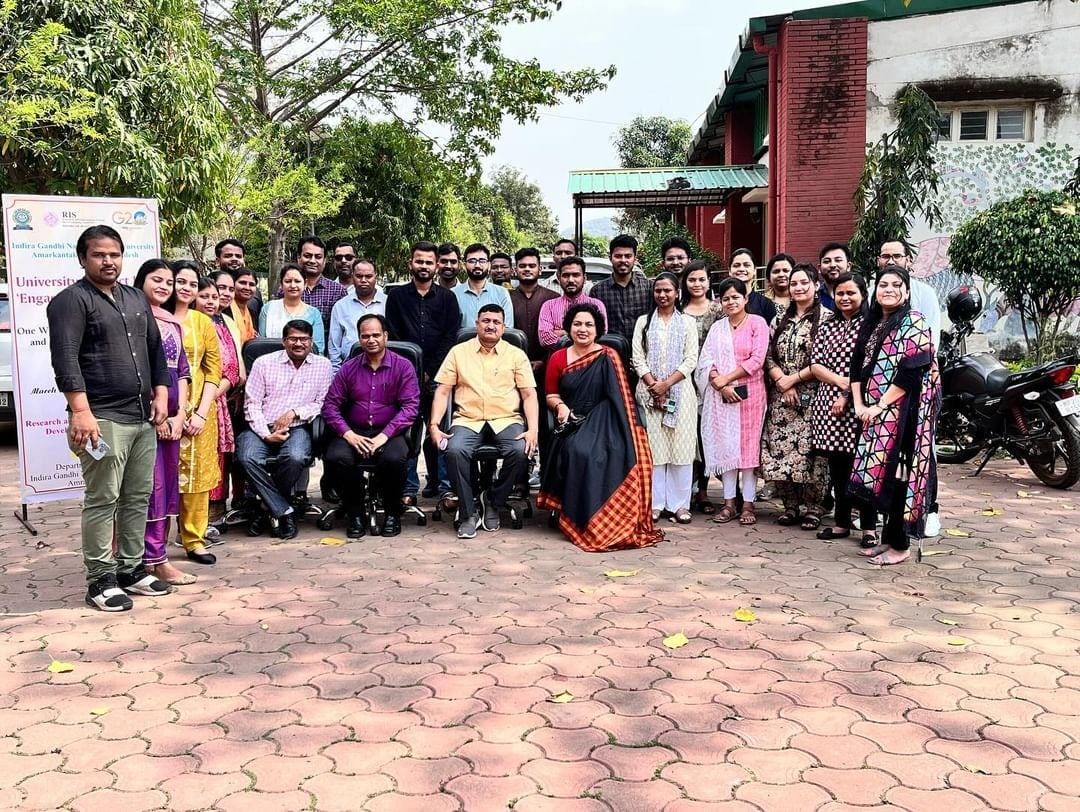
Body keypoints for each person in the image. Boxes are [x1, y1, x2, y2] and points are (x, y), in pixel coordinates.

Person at [48, 227, 172, 611]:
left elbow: (155, 349)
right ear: (82, 258)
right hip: (102, 418)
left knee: (137, 496)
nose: (108, 262)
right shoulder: (70, 301)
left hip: (142, 417)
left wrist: (163, 393)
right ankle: (100, 579)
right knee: (103, 498)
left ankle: (130, 569)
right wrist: (80, 410)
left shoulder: (135, 297)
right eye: (99, 255)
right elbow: (65, 357)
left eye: (114, 254)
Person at [539, 303, 664, 551]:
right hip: (573, 419)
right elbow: (550, 394)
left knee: (619, 451)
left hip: (606, 416)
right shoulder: (558, 357)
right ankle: (579, 515)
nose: (582, 329)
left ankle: (607, 518)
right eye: (577, 324)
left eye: (588, 325)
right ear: (568, 328)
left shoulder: (609, 355)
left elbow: (620, 396)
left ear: (597, 330)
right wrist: (561, 407)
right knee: (579, 451)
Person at [850, 264, 939, 566]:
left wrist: (879, 406)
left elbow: (911, 374)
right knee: (885, 473)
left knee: (901, 474)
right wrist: (860, 404)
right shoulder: (875, 324)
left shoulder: (913, 322)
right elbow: (858, 368)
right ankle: (887, 539)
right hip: (879, 413)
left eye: (895, 284)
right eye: (883, 284)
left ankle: (900, 546)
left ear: (907, 291)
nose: (888, 289)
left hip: (906, 416)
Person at [430, 305, 539, 540]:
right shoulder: (458, 352)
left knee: (521, 451)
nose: (490, 326)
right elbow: (443, 391)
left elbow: (529, 395)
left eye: (496, 322)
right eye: (485, 321)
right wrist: (434, 425)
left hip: (506, 418)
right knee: (454, 450)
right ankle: (468, 512)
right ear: (476, 324)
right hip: (468, 419)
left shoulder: (515, 354)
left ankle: (492, 501)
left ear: (504, 326)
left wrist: (533, 430)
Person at [322, 314, 420, 539]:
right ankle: (355, 514)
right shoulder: (349, 368)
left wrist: (382, 437)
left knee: (394, 459)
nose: (371, 340)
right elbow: (330, 406)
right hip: (354, 431)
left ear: (385, 336)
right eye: (365, 336)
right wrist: (349, 435)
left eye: (376, 335)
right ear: (359, 339)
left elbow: (410, 408)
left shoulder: (403, 366)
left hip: (390, 431)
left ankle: (393, 514)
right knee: (338, 457)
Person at [237, 320, 334, 539]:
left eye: (304, 339)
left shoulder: (323, 365)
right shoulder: (264, 363)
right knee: (246, 457)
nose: (298, 343)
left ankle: (263, 508)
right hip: (260, 425)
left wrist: (294, 412)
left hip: (297, 426)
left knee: (296, 456)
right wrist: (265, 433)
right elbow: (251, 403)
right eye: (293, 339)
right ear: (284, 341)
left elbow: (323, 403)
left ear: (311, 342)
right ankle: (284, 510)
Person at [385, 241, 462, 506]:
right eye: (420, 261)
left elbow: (451, 337)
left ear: (437, 265)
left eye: (429, 262)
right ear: (411, 264)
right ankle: (407, 487)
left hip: (438, 378)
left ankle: (445, 488)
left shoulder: (447, 298)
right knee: (406, 434)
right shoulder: (396, 298)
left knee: (439, 433)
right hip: (402, 379)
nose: (424, 266)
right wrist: (412, 371)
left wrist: (430, 371)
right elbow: (393, 337)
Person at [133, 259, 195, 586]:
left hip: (173, 416)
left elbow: (182, 371)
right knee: (149, 488)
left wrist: (181, 412)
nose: (164, 287)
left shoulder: (171, 320)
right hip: (146, 415)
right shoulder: (133, 317)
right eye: (156, 280)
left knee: (168, 486)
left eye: (168, 282)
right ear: (140, 280)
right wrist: (156, 415)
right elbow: (138, 370)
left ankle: (158, 556)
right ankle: (148, 559)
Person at [877, 238, 942, 537]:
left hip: (918, 389)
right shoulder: (874, 295)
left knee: (919, 453)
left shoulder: (923, 296)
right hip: (883, 391)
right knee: (889, 456)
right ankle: (890, 519)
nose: (890, 260)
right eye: (885, 255)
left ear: (908, 260)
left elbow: (926, 350)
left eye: (897, 255)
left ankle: (927, 511)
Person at [809, 272, 877, 545]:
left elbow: (868, 366)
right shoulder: (827, 326)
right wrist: (839, 383)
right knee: (838, 467)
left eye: (851, 293)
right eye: (840, 293)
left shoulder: (871, 325)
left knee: (862, 466)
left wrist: (847, 394)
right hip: (829, 406)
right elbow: (816, 365)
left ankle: (870, 527)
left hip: (860, 406)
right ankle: (841, 522)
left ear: (862, 294)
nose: (845, 298)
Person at [760, 264, 830, 529]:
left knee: (814, 453)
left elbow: (826, 360)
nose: (798, 288)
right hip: (781, 396)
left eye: (804, 283)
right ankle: (789, 506)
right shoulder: (779, 320)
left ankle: (814, 508)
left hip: (813, 396)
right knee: (781, 451)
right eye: (794, 284)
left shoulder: (827, 318)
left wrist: (795, 380)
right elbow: (766, 355)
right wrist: (782, 381)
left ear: (816, 285)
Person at [696, 277, 769, 526]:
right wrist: (720, 383)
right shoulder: (718, 328)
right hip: (722, 396)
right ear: (720, 301)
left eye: (735, 297)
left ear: (745, 298)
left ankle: (748, 503)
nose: (730, 302)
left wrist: (726, 379)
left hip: (750, 395)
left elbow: (757, 360)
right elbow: (706, 359)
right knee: (727, 445)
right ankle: (729, 503)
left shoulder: (757, 323)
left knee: (748, 449)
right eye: (725, 298)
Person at [631, 272, 699, 524]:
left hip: (681, 393)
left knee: (681, 449)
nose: (662, 295)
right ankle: (656, 503)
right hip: (649, 395)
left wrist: (667, 384)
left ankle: (680, 505)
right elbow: (637, 357)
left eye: (667, 290)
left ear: (677, 293)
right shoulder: (644, 322)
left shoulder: (688, 323)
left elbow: (691, 358)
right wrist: (654, 386)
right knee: (655, 451)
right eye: (658, 290)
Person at [169, 262, 222, 565]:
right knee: (161, 477)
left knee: (197, 478)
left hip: (201, 408)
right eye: (180, 281)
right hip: (164, 408)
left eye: (192, 283)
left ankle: (194, 540)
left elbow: (212, 370)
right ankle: (154, 542)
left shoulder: (203, 322)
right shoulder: (154, 318)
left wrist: (201, 412)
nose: (186, 288)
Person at [194, 277, 245, 520]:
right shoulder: (184, 324)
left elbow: (232, 370)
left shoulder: (222, 325)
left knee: (216, 458)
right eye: (205, 296)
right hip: (185, 403)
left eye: (214, 297)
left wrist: (209, 395)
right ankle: (189, 524)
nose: (211, 301)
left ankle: (213, 517)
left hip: (215, 401)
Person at [681, 260, 723, 515]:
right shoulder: (678, 310)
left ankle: (704, 491)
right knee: (689, 435)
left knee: (707, 435)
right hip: (684, 381)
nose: (697, 284)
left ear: (709, 282)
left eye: (701, 279)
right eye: (692, 280)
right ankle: (687, 489)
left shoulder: (718, 311)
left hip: (711, 380)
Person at [591, 234, 652, 342]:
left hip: (643, 349)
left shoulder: (648, 287)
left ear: (635, 258)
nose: (623, 260)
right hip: (610, 351)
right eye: (618, 256)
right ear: (610, 258)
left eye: (628, 256)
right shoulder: (598, 291)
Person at [538, 256, 609, 348]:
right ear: (559, 279)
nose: (571, 280)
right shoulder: (549, 306)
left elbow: (601, 337)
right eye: (566, 275)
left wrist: (562, 332)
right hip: (558, 360)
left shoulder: (596, 305)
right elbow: (545, 340)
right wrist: (584, 334)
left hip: (591, 360)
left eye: (576, 275)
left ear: (584, 278)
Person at [328, 258, 386, 369]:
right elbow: (334, 347)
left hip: (382, 367)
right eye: (359, 276)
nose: (363, 280)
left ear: (376, 277)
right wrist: (337, 373)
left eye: (368, 276)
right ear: (352, 276)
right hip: (349, 368)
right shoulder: (340, 306)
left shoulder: (388, 304)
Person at [260, 264, 325, 355]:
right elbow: (261, 344)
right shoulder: (268, 309)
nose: (293, 285)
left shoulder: (314, 313)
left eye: (297, 281)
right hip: (271, 365)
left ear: (305, 284)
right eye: (288, 281)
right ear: (281, 284)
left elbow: (318, 349)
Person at [454, 243, 515, 329]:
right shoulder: (453, 294)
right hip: (462, 342)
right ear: (464, 265)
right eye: (472, 261)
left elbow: (507, 328)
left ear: (489, 265)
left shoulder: (501, 293)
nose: (477, 265)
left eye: (482, 261)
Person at [217, 238, 261, 322]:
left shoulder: (254, 293)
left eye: (238, 256)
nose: (234, 259)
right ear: (217, 261)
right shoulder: (208, 287)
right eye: (228, 256)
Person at [729, 248, 777, 323]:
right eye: (736, 265)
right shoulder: (721, 305)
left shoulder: (766, 304)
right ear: (730, 271)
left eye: (746, 265)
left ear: (754, 270)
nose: (741, 269)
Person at [818, 242, 851, 312]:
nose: (833, 265)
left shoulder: (858, 294)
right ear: (819, 268)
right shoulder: (814, 295)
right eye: (827, 261)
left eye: (838, 260)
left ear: (848, 266)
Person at [231, 267, 261, 339]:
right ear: (232, 284)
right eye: (242, 283)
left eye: (251, 284)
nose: (247, 288)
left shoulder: (252, 312)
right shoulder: (226, 310)